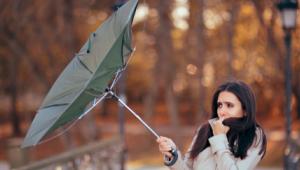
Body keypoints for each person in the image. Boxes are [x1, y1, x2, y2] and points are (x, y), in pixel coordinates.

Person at [157, 80, 267, 170]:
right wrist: (173, 154)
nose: (222, 111)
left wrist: (219, 138)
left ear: (245, 110)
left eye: (229, 105)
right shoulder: (204, 130)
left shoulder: (254, 135)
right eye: (220, 105)